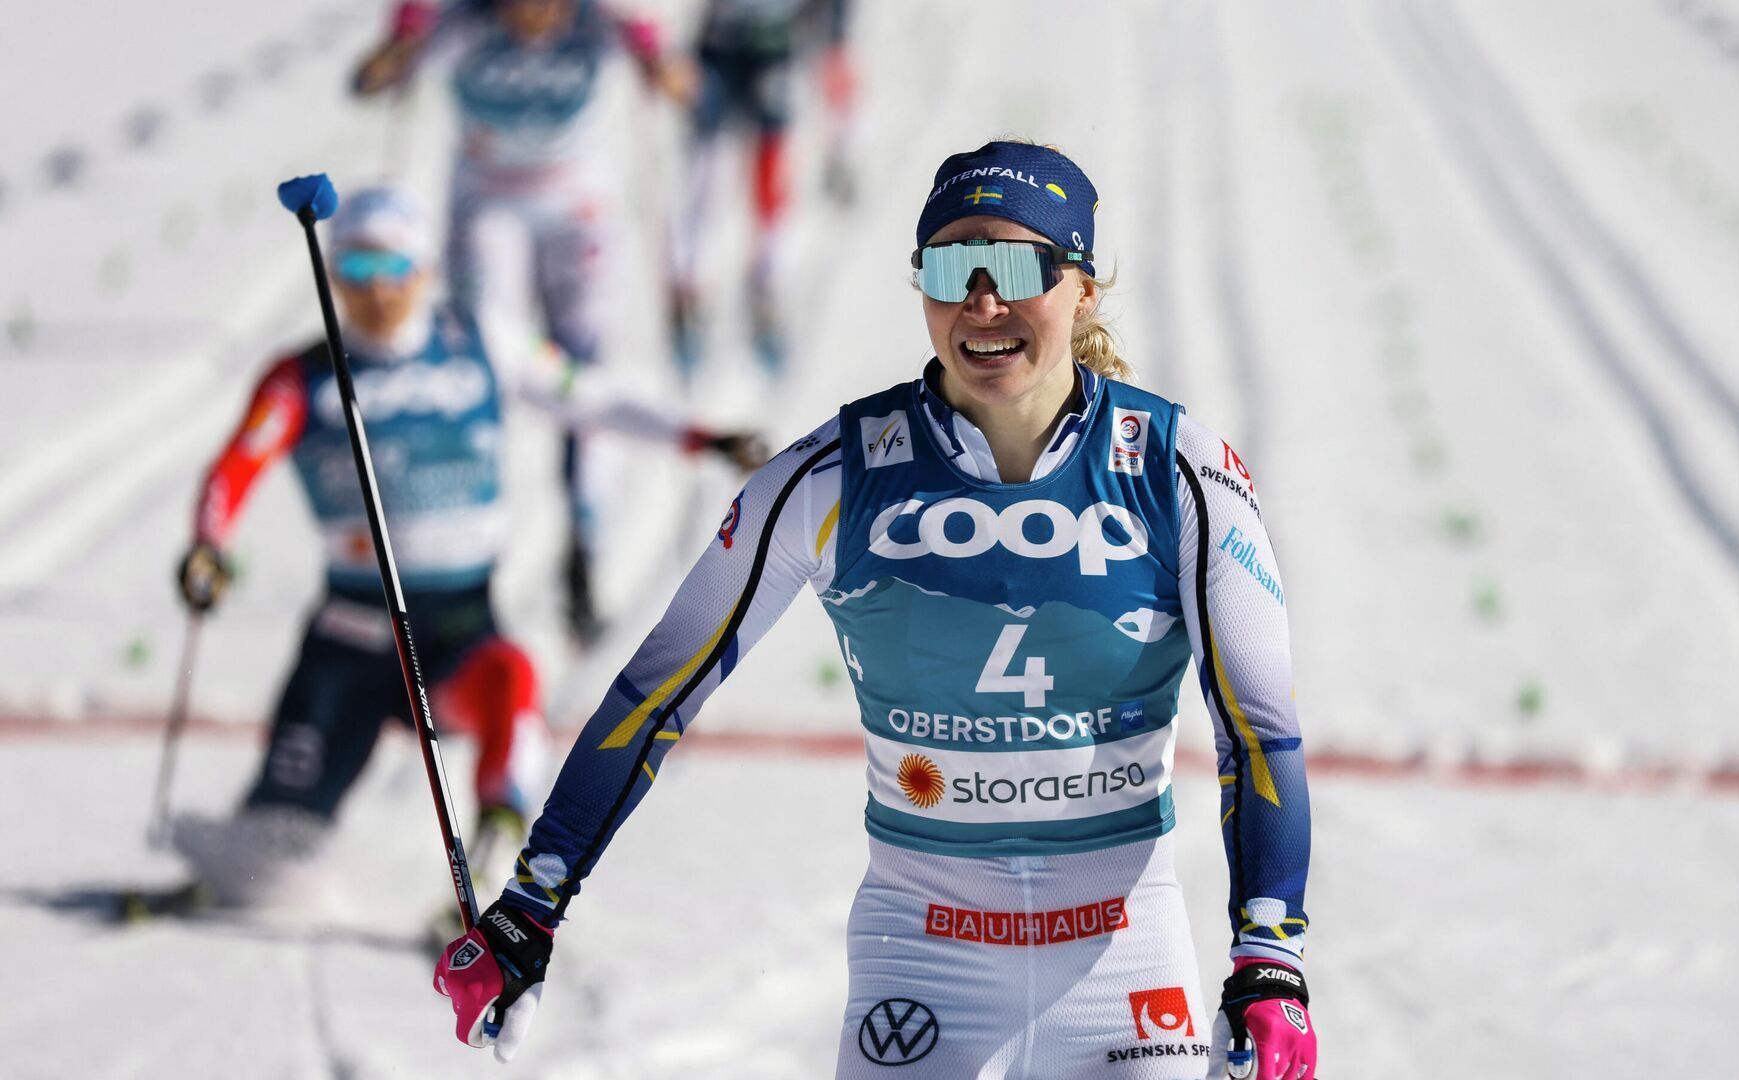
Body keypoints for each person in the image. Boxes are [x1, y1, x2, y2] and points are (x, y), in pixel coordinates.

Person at [434, 142, 1318, 1080]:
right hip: (925, 963)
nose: (982, 302)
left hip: (1125, 964)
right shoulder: (832, 476)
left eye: (1019, 267)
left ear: (1083, 286)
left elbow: (1259, 730)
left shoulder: (1178, 468)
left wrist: (1272, 960)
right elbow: (656, 694)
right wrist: (530, 906)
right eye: (949, 268)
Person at [171, 185, 763, 910]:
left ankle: (490, 871)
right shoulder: (303, 376)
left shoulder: (481, 339)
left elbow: (592, 397)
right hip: (350, 640)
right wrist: (208, 547)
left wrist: (704, 435)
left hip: (456, 629)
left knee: (514, 681)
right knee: (264, 864)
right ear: (333, 278)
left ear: (424, 269)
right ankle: (223, 879)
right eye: (356, 271)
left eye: (394, 269)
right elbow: (234, 467)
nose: (377, 292)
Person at [352, 0, 696, 643]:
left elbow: (681, 82)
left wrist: (658, 59)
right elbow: (372, 80)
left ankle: (583, 547)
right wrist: (398, 49)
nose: (536, 15)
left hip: (577, 204)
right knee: (489, 368)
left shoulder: (600, 23)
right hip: (489, 205)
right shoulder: (465, 22)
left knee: (584, 377)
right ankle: (470, 560)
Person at [665, 0, 855, 380]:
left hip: (773, 47)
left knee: (770, 175)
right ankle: (692, 289)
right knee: (707, 172)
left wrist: (834, 40)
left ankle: (766, 289)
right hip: (719, 48)